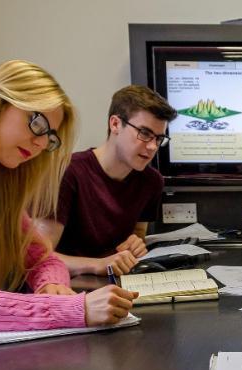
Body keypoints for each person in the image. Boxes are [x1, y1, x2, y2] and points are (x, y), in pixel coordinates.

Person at [0, 60, 138, 350]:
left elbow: (44, 258)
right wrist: (71, 310)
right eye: (37, 123)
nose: (41, 144)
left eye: (49, 136)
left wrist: (50, 285)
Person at [35, 86, 177, 276]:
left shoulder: (151, 182)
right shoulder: (67, 172)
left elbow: (137, 234)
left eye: (159, 138)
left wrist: (135, 244)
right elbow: (38, 257)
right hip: (66, 287)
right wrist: (97, 265)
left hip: (117, 284)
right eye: (144, 133)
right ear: (115, 124)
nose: (152, 146)